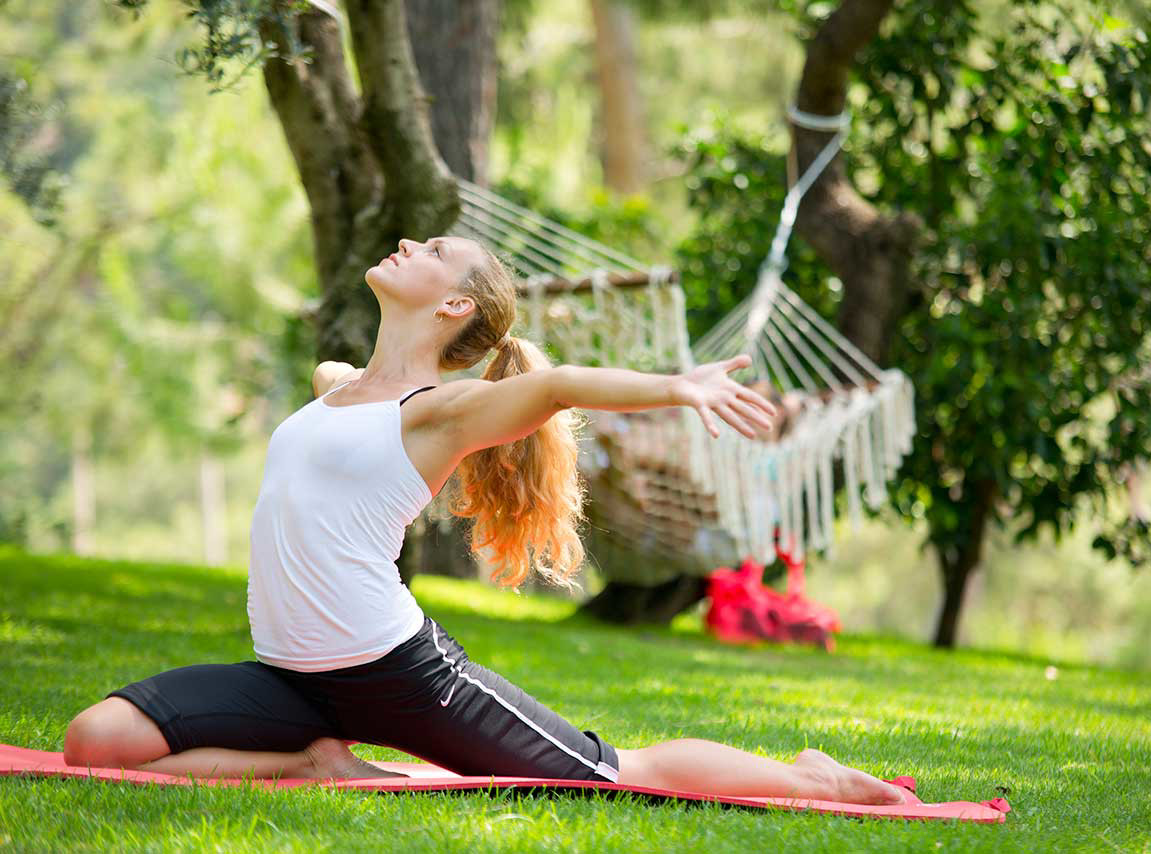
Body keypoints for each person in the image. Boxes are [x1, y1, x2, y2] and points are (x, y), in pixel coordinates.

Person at [62, 236, 904, 806]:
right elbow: (338, 379)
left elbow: (556, 387)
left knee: (609, 773)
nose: (409, 244)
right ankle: (314, 762)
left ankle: (815, 780)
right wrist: (352, 383)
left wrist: (677, 387)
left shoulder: (443, 411)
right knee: (93, 740)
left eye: (433, 251)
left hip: (400, 675)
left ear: (456, 305)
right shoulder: (339, 388)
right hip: (288, 674)